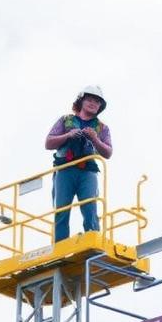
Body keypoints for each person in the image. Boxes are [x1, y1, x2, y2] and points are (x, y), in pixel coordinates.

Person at [45, 84, 113, 242]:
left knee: (90, 207)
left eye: (97, 102)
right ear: (81, 101)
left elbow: (108, 152)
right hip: (65, 170)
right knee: (61, 209)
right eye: (90, 99)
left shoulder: (102, 128)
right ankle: (61, 245)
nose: (93, 103)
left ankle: (93, 240)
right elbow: (48, 143)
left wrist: (95, 139)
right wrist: (68, 135)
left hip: (87, 171)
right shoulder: (65, 120)